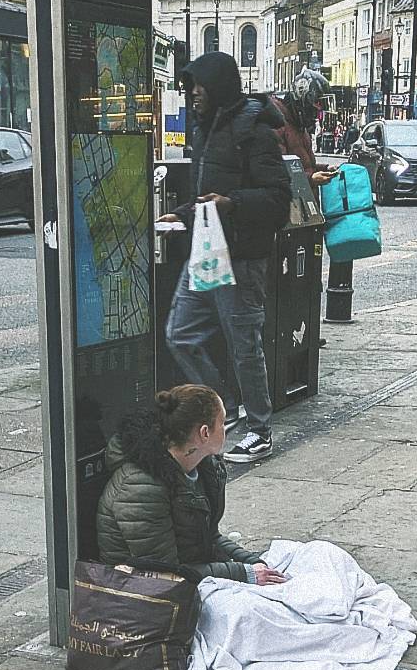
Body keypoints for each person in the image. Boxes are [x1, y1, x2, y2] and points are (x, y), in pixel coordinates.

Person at [160, 51, 291, 463]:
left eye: (198, 85)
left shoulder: (253, 130)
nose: (192, 93)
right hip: (207, 251)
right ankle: (224, 407)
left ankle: (260, 429)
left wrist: (232, 203)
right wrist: (181, 214)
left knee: (243, 346)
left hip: (242, 257)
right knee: (179, 333)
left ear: (217, 86)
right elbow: (206, 195)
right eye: (189, 86)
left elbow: (278, 199)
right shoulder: (206, 128)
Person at [95, 385, 287, 585]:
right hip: (142, 593)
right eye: (222, 423)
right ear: (204, 433)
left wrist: (253, 562)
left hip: (188, 574)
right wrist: (243, 573)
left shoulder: (202, 466)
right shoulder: (140, 487)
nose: (226, 430)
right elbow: (163, 572)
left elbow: (209, 538)